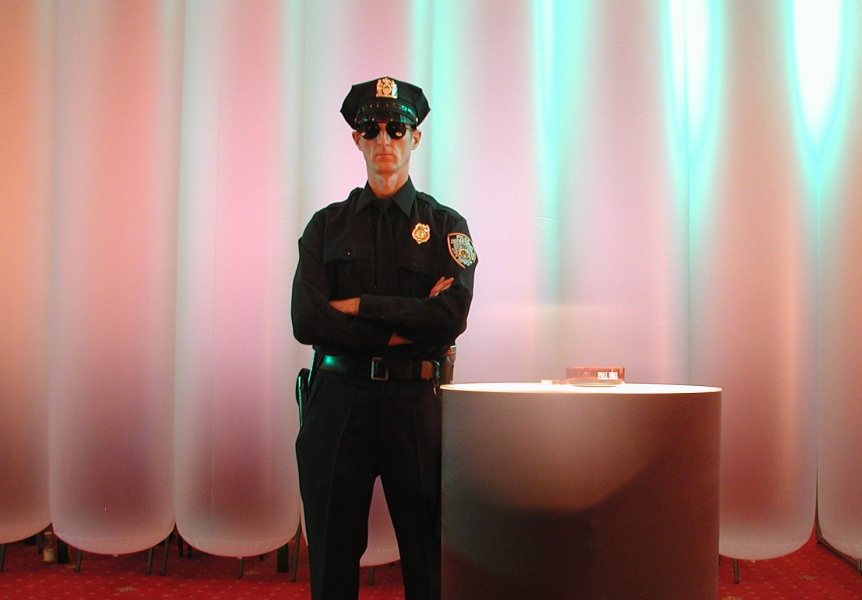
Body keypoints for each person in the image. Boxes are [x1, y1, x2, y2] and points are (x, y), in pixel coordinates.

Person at [291, 76, 477, 600]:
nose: (384, 140)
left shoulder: (446, 226)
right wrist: (409, 324)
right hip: (338, 402)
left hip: (413, 403)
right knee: (331, 558)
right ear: (357, 140)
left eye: (397, 129)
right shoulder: (326, 227)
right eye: (371, 130)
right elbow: (307, 320)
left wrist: (359, 307)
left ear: (415, 137)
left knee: (428, 559)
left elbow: (451, 316)